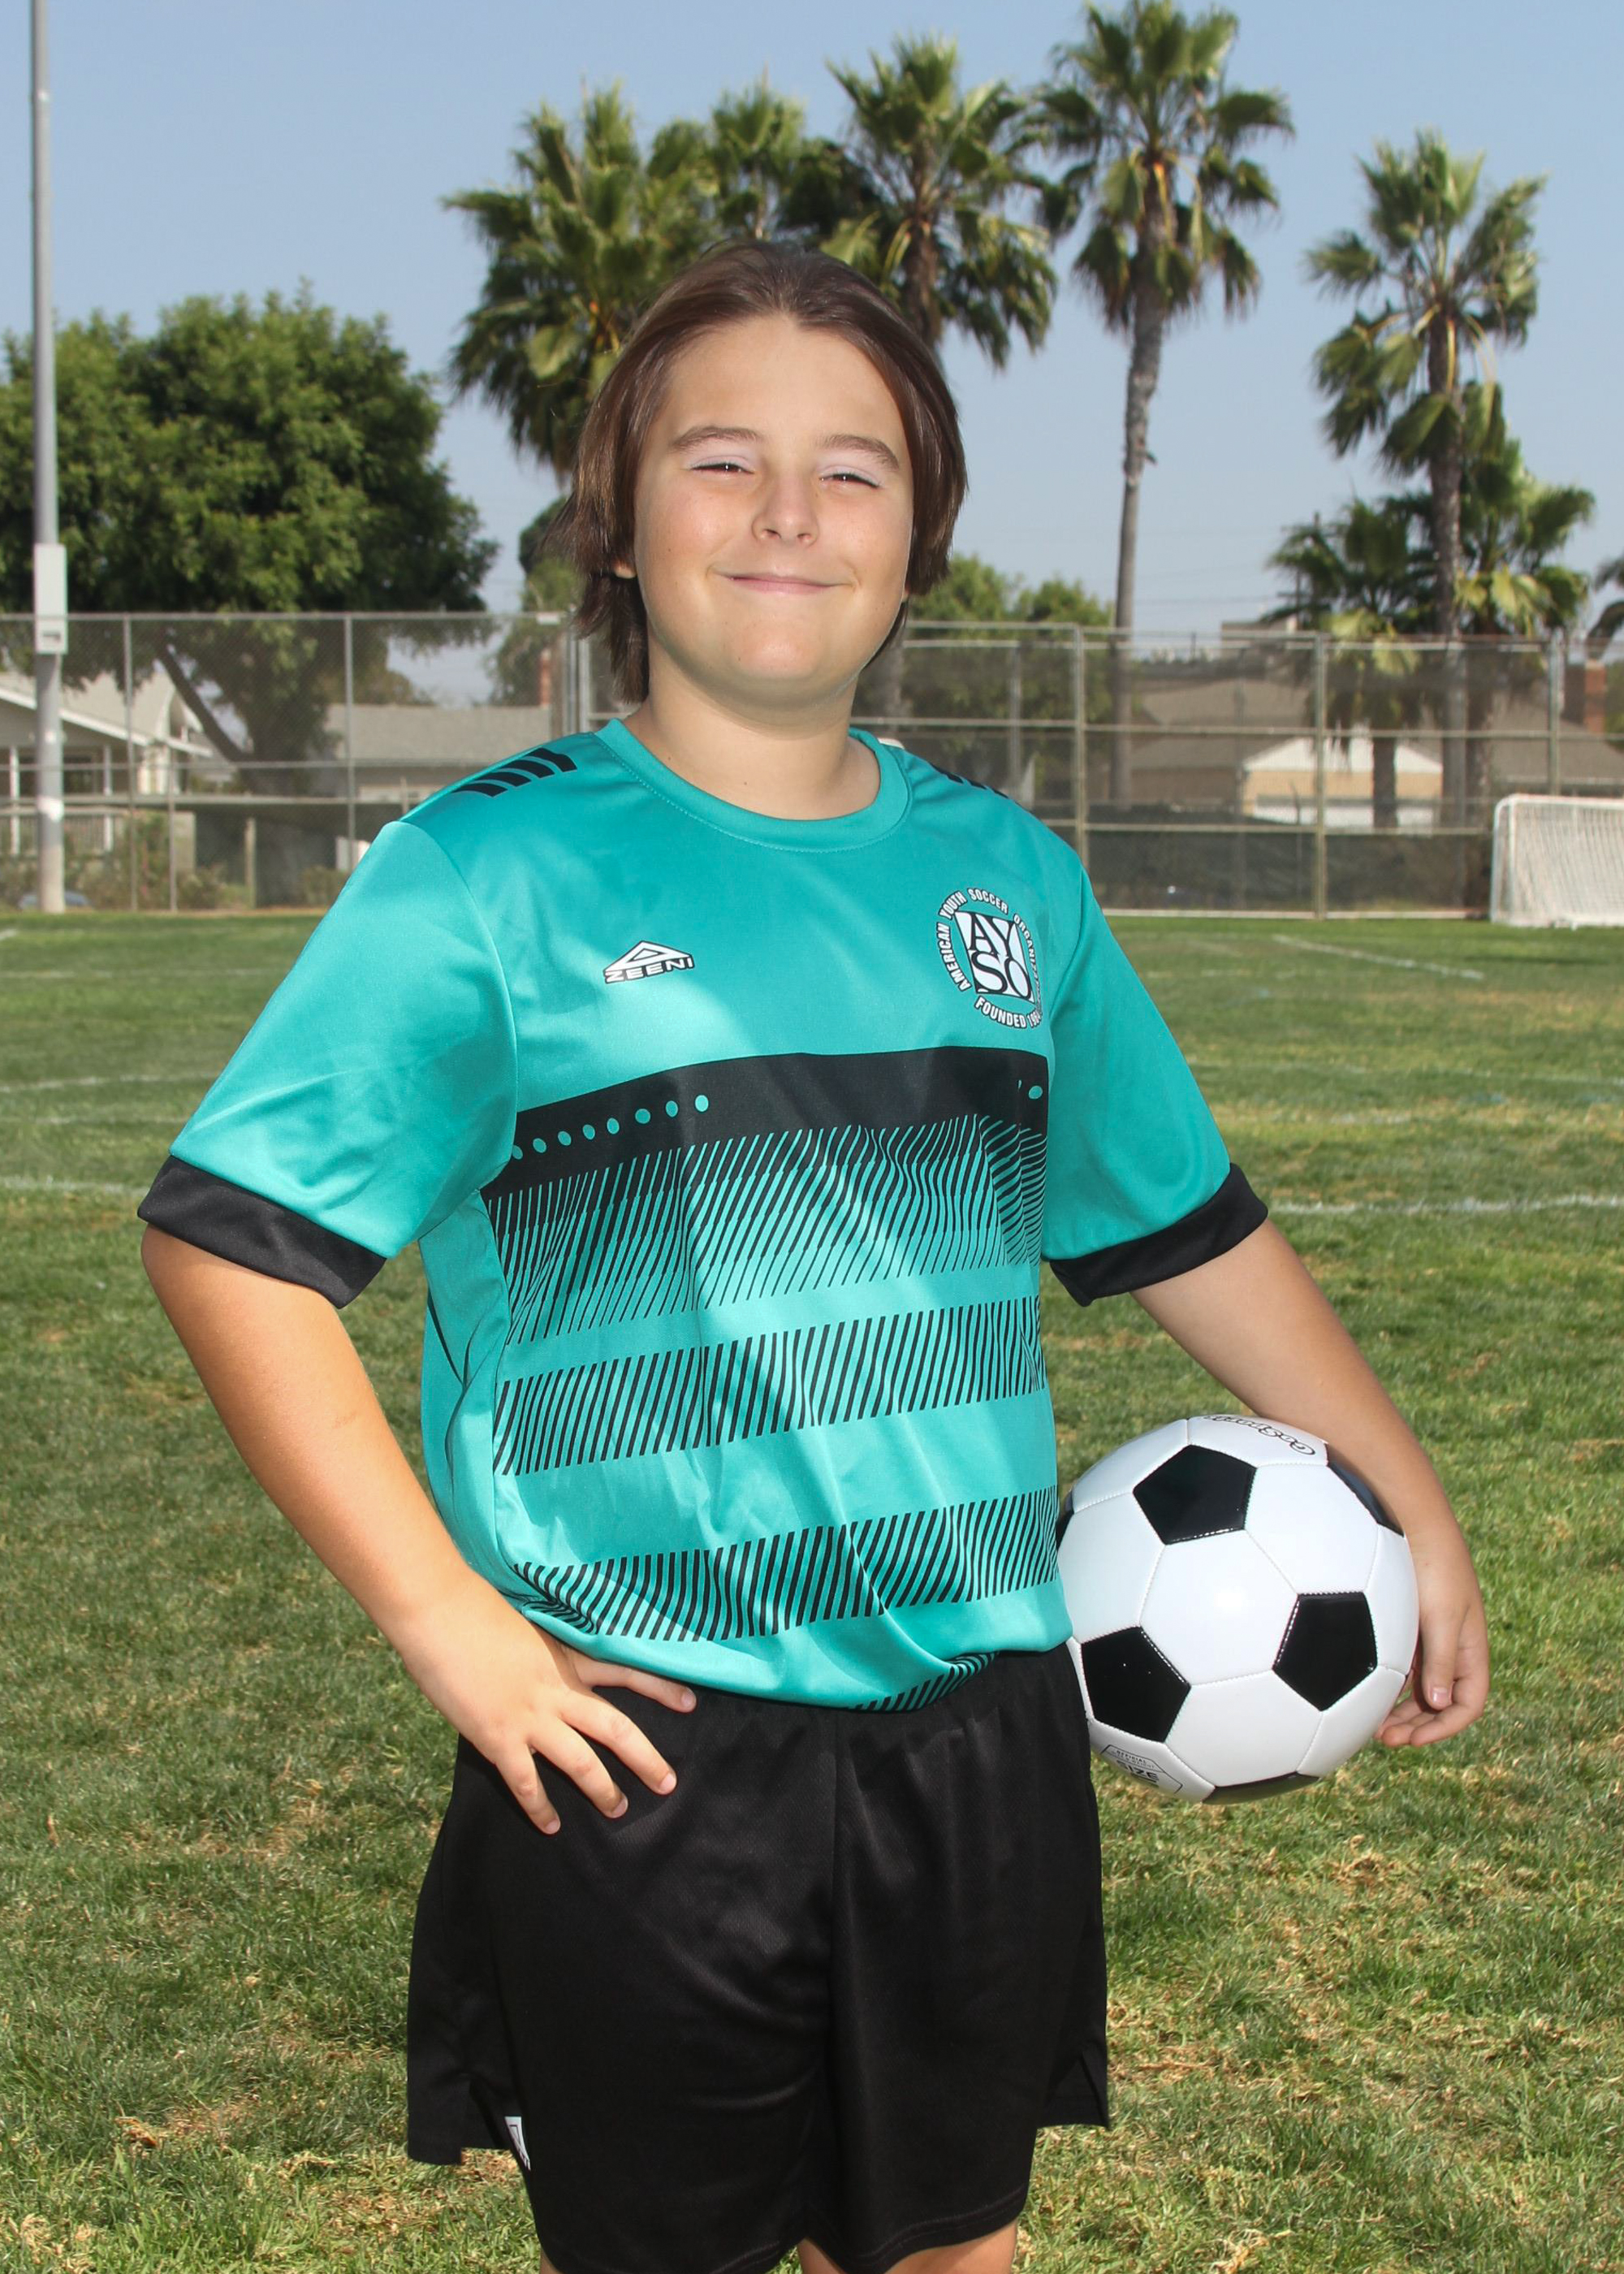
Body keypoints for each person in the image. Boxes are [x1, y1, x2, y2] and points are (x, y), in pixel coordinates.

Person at [136, 239, 1488, 2274]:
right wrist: (447, 1624)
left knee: (955, 2247)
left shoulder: (1007, 881)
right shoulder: (484, 876)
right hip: (642, 1743)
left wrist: (1408, 1492)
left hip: (980, 1721)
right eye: (721, 459)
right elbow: (232, 1247)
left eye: (853, 470)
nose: (787, 513)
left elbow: (1183, 1226)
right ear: (617, 520)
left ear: (920, 532)